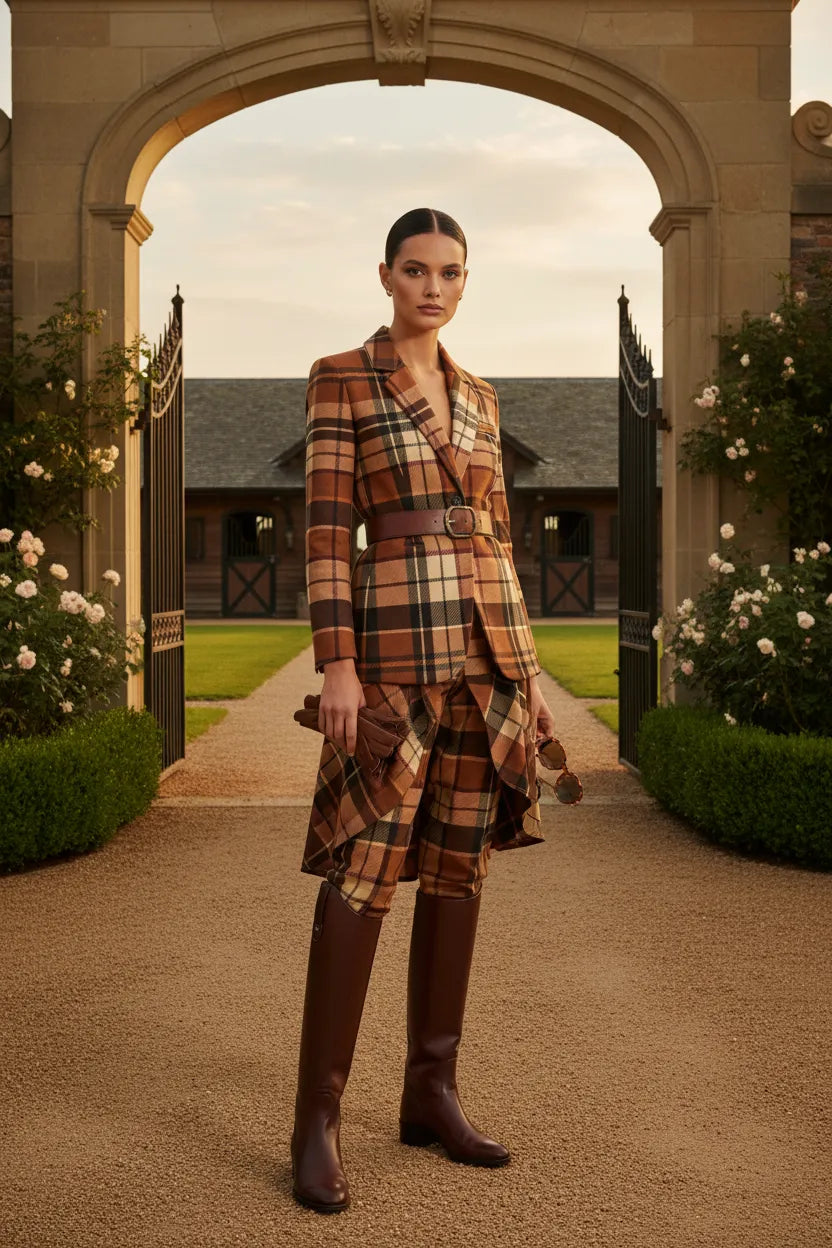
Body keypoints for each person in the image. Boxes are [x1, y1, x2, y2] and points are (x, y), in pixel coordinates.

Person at [291, 207, 555, 1213]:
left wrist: (525, 675)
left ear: (463, 280)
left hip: (486, 660)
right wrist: (340, 665)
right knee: (362, 874)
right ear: (386, 276)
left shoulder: (483, 395)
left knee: (456, 870)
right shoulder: (342, 376)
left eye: (448, 271)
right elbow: (323, 534)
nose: (431, 287)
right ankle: (316, 1118)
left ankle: (430, 1093)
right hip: (392, 659)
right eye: (414, 270)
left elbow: (497, 540)